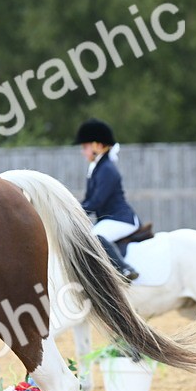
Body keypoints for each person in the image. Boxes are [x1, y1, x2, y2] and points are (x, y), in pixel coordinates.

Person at [72, 117, 140, 281]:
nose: (83, 151)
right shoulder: (96, 168)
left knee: (94, 238)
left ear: (98, 145)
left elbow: (97, 202)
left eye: (85, 147)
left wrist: (74, 213)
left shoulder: (107, 169)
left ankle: (124, 269)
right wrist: (74, 209)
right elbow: (89, 199)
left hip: (121, 219)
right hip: (109, 219)